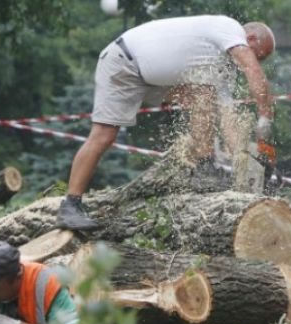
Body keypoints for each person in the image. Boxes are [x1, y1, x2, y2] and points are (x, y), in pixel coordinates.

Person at [57, 15, 276, 230]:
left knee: (204, 94)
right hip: (124, 64)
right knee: (104, 135)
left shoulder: (220, 63)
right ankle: (71, 205)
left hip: (154, 77)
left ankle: (203, 167)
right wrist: (265, 117)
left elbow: (228, 115)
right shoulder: (230, 29)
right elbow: (252, 70)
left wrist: (250, 161)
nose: (257, 61)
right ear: (251, 39)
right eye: (260, 56)